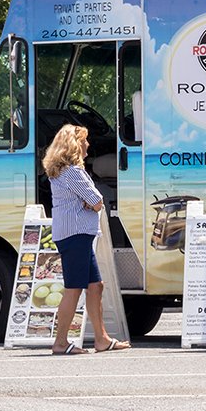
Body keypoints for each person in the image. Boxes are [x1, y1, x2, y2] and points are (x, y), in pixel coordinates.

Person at [42, 124, 130, 355]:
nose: (88, 145)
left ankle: (101, 339)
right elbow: (98, 200)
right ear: (75, 144)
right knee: (74, 288)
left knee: (95, 286)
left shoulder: (61, 172)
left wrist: (88, 202)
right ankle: (60, 342)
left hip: (73, 234)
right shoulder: (73, 172)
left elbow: (90, 201)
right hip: (76, 235)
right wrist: (91, 202)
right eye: (84, 141)